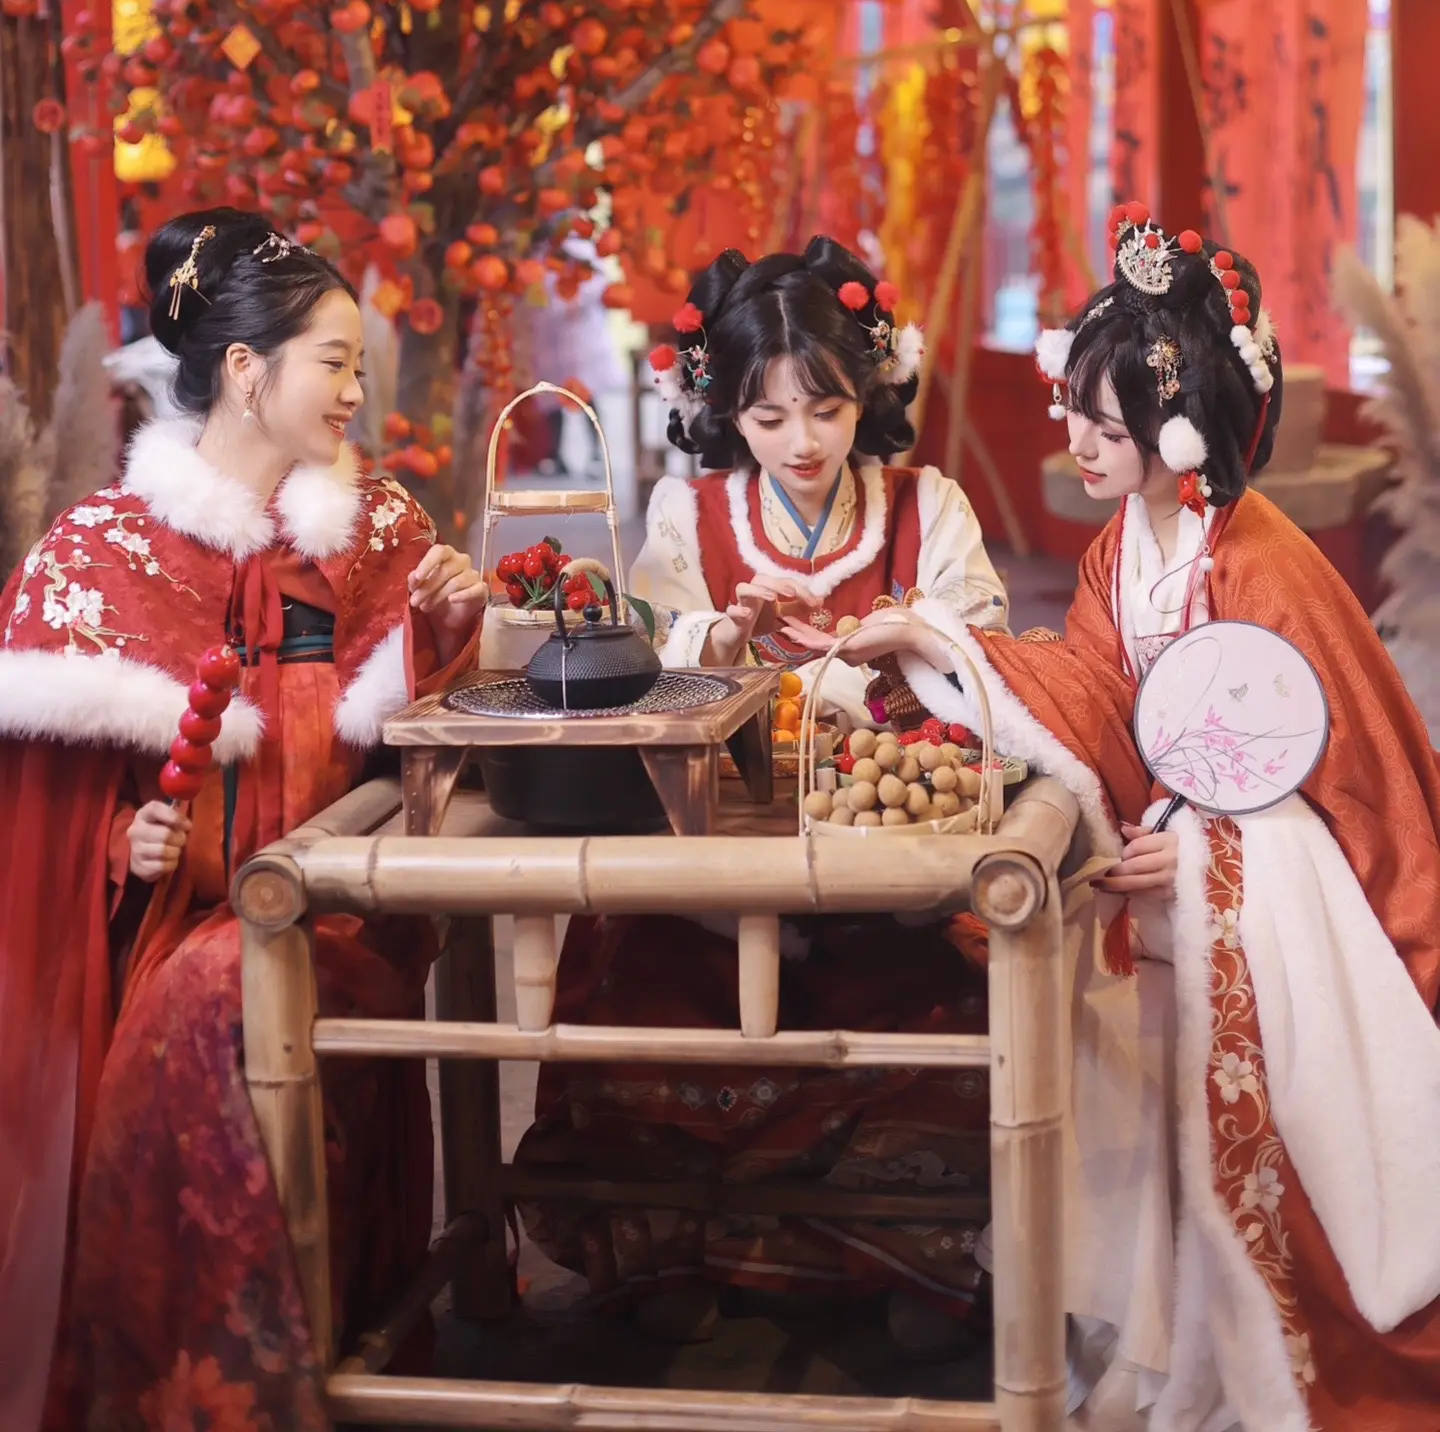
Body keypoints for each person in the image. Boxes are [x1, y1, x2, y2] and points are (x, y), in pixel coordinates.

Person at [791, 204, 1440, 1429]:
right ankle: (1185, 1345)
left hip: (1282, 898)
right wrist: (936, 643)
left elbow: (1335, 777)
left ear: (1177, 425)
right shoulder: (1125, 545)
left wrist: (1194, 848)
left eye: (1106, 421)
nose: (1077, 439)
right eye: (1073, 409)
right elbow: (1095, 688)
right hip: (1178, 874)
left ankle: (1265, 1353)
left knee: (1256, 1148)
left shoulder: (1262, 563)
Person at [0, 209, 488, 1431]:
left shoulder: (382, 530)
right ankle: (212, 1391)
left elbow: (440, 746)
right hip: (178, 931)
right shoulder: (100, 551)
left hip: (350, 913)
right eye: (335, 362)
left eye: (359, 365)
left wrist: (449, 627)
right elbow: (47, 824)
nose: (356, 392)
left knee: (240, 982)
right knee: (216, 992)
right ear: (244, 369)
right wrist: (123, 847)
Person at [516, 238, 1010, 1355]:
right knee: (639, 1002)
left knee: (952, 1014)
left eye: (826, 410)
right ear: (724, 409)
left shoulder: (929, 507)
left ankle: (902, 1248)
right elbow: (646, 665)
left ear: (870, 391)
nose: (801, 442)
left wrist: (911, 634)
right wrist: (718, 640)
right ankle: (675, 1252)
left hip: (889, 861)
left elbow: (986, 653)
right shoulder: (686, 517)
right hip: (714, 863)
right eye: (769, 415)